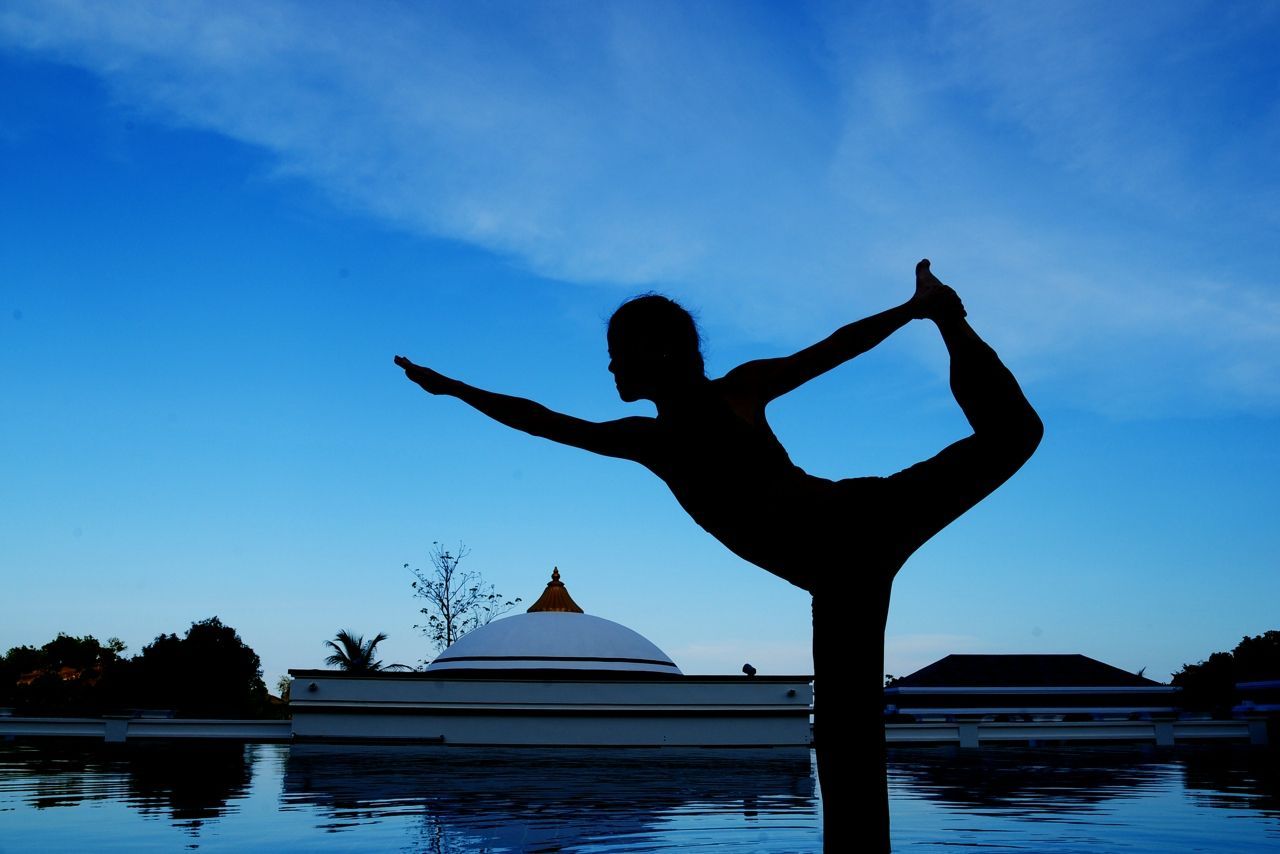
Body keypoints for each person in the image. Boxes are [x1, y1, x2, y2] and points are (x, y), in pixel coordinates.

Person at [395, 259, 1043, 851]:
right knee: (847, 737)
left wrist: (913, 311)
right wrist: (456, 390)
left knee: (1015, 431)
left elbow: (834, 349)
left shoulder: (720, 402)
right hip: (840, 571)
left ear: (658, 349)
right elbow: (541, 419)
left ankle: (946, 312)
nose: (612, 369)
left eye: (617, 354)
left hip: (857, 524)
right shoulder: (654, 435)